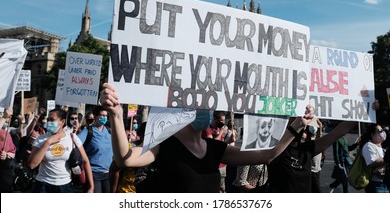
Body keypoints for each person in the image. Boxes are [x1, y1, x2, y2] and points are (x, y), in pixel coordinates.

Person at [99, 83, 313, 193]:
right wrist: (116, 115)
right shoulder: (164, 145)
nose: (207, 111)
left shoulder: (215, 148)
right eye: (201, 105)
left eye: (208, 106)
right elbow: (126, 159)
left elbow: (266, 155)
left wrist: (297, 125)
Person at [266, 104, 364, 193]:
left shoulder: (307, 149)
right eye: (295, 122)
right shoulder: (274, 151)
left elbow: (339, 131)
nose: (301, 123)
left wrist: (363, 111)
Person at [27, 108, 94, 193]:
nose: (49, 122)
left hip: (65, 185)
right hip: (43, 184)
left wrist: (91, 187)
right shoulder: (41, 139)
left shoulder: (72, 137)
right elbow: (31, 165)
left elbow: (85, 161)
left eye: (52, 120)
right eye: (48, 120)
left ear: (62, 122)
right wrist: (47, 143)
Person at [77, 105, 113, 193]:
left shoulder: (109, 131)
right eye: (102, 115)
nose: (104, 117)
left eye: (106, 115)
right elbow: (76, 144)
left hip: (108, 173)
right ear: (96, 116)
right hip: (93, 173)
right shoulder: (88, 131)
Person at [202, 110, 229, 192]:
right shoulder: (208, 129)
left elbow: (222, 144)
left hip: (222, 164)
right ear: (215, 119)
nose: (223, 123)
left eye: (224, 120)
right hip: (213, 165)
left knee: (222, 188)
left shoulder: (219, 128)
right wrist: (221, 133)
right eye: (221, 120)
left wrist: (230, 138)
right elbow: (212, 145)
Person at [360, 124, 388, 193]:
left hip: (385, 183)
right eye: (380, 131)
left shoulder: (381, 148)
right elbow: (371, 162)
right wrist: (387, 158)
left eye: (382, 130)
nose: (383, 132)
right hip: (376, 184)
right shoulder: (368, 145)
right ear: (372, 135)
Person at [0, 109, 17, 193]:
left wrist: (6, 155)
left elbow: (13, 153)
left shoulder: (7, 132)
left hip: (5, 169)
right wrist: (4, 116)